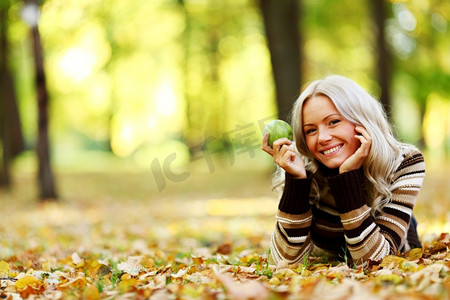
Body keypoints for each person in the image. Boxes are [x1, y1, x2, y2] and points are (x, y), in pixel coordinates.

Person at [261, 75, 425, 267]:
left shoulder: (405, 161)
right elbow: (282, 263)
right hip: (333, 254)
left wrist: (348, 178)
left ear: (362, 119)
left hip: (393, 242)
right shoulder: (302, 166)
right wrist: (296, 181)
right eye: (311, 130)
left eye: (333, 122)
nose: (322, 138)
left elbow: (375, 263)